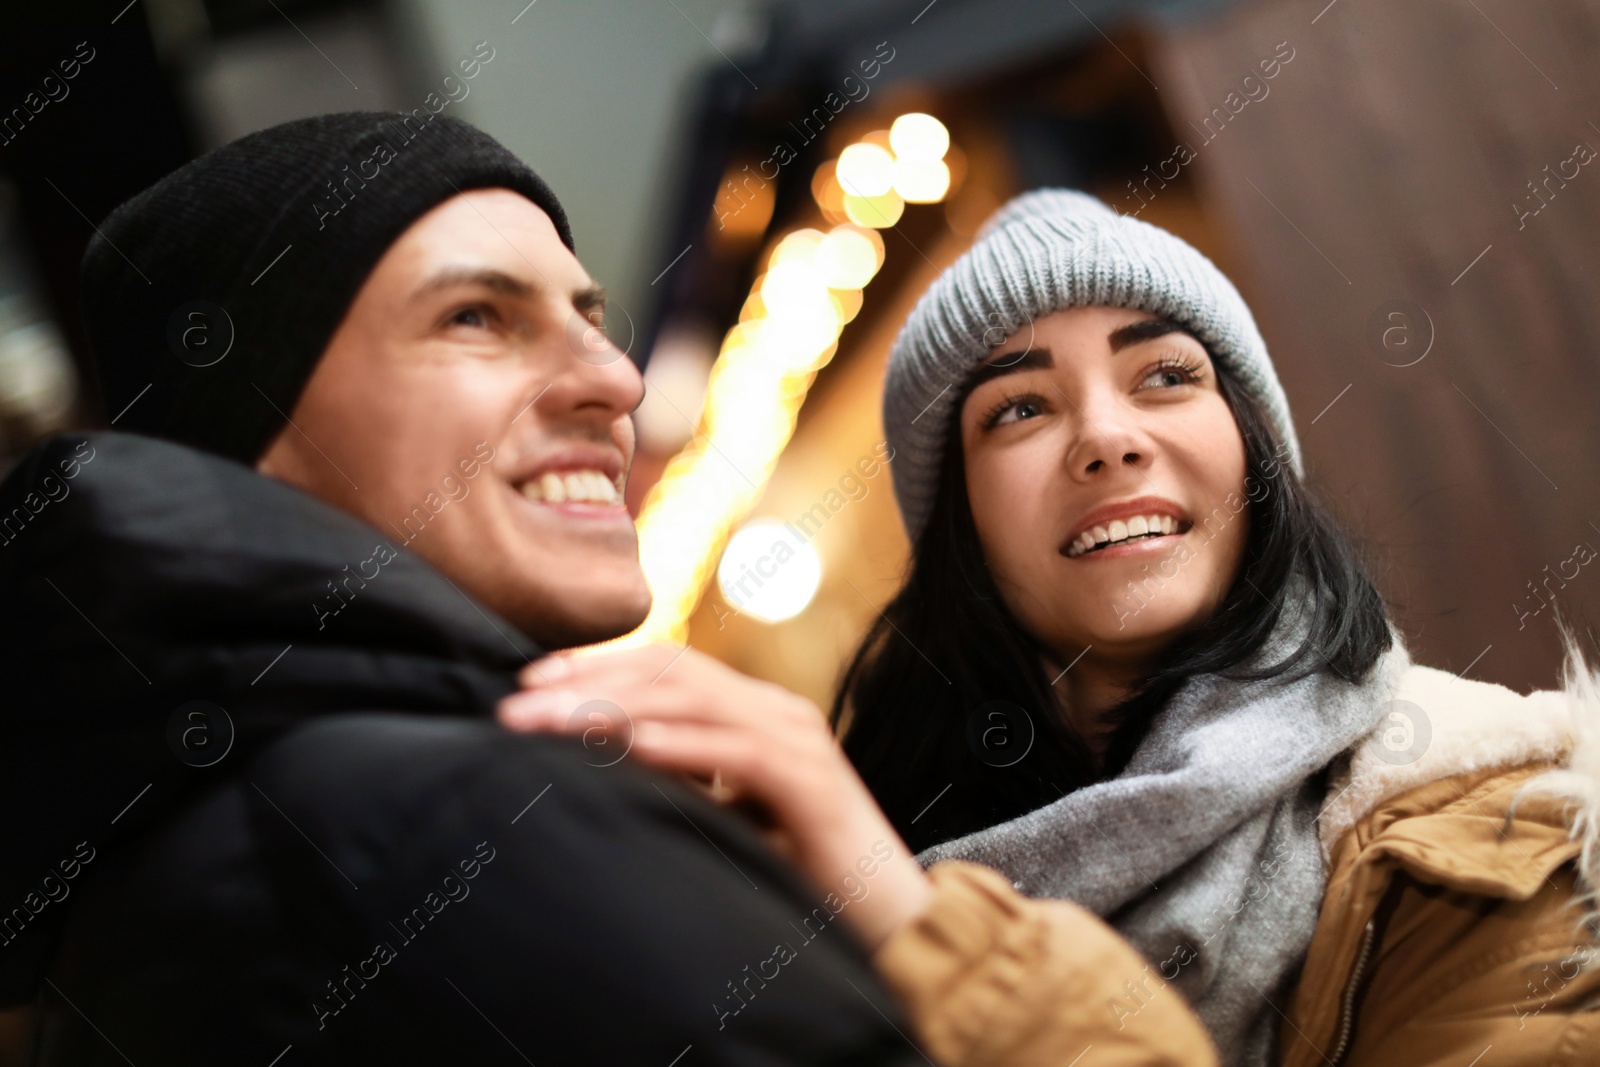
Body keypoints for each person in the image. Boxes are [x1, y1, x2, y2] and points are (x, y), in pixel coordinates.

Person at [500, 189, 1600, 1066]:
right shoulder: (850, 854)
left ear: (1253, 457)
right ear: (959, 533)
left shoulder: (1498, 826)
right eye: (1018, 408)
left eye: (1166, 374)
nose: (1107, 436)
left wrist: (920, 930)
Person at [0, 111, 943, 1066]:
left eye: (587, 315)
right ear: (255, 434)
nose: (616, 378)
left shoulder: (196, 844)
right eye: (476, 317)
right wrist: (903, 913)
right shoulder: (454, 824)